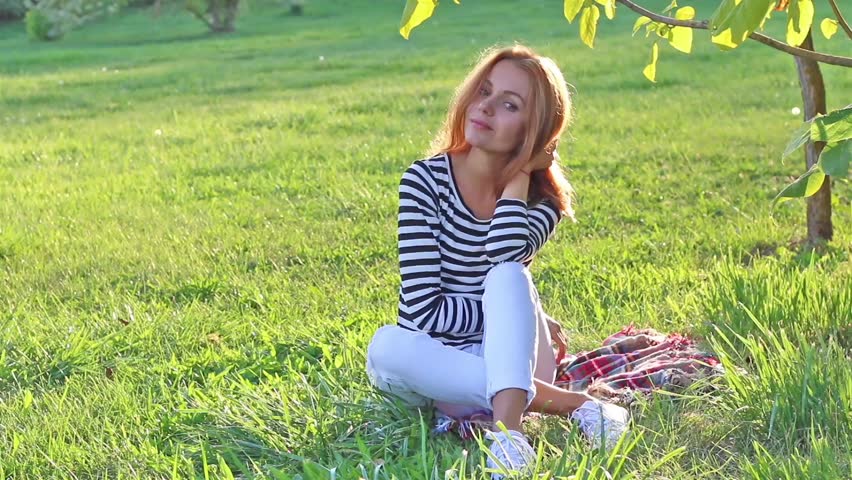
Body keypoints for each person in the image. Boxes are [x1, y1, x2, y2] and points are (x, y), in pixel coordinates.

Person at [365, 44, 629, 478]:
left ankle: (508, 442)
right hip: (438, 363)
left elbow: (504, 256)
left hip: (514, 356)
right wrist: (510, 319)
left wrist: (520, 177)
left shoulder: (543, 204)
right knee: (386, 347)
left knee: (508, 276)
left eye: (509, 104)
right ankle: (579, 406)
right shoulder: (424, 182)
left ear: (536, 129)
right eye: (483, 91)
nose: (485, 107)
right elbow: (421, 310)